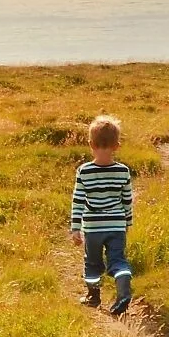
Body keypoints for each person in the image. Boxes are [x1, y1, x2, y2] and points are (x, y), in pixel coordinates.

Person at [67, 115, 135, 315]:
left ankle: (93, 296)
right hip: (116, 225)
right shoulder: (123, 171)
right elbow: (127, 201)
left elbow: (78, 201)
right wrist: (127, 223)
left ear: (90, 144)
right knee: (118, 260)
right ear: (117, 145)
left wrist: (75, 228)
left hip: (94, 227)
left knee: (93, 262)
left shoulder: (84, 171)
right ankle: (123, 290)